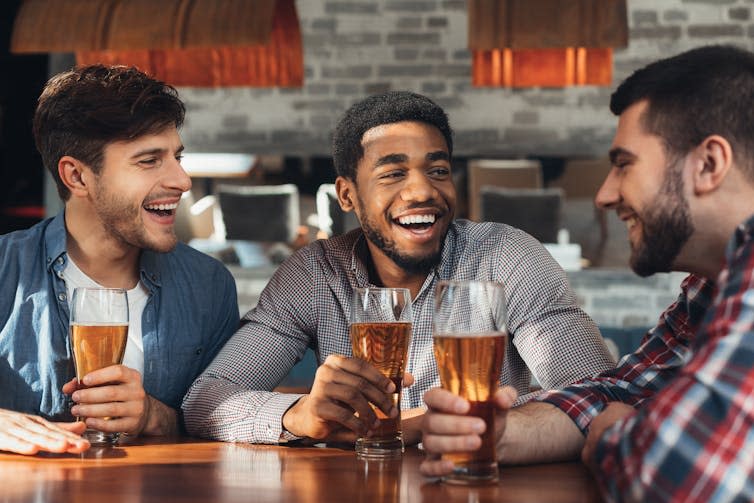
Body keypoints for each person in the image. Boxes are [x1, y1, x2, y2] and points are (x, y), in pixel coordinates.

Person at [182, 91, 614, 445]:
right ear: (347, 195)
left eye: (438, 170)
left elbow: (600, 397)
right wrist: (299, 415)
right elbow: (205, 402)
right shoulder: (314, 274)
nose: (423, 190)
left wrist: (428, 420)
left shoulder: (506, 257)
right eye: (393, 174)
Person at [420, 44, 754, 501]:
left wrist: (615, 430)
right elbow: (624, 389)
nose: (603, 194)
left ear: (708, 164)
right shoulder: (709, 285)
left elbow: (675, 476)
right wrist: (501, 434)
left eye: (623, 165)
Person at [0, 65, 239, 455]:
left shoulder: (209, 285)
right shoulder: (5, 270)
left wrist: (153, 416)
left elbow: (224, 419)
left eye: (177, 157)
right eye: (149, 161)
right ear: (77, 177)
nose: (182, 180)